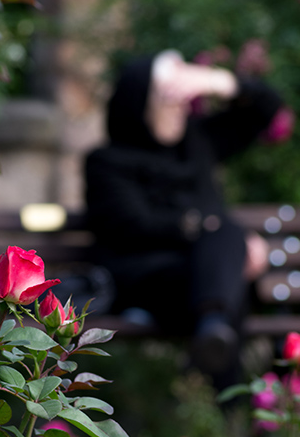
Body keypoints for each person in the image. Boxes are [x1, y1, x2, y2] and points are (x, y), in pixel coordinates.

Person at [84, 50, 283, 385]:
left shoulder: (198, 142)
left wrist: (217, 81)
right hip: (149, 281)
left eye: (183, 99)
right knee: (228, 240)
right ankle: (227, 407)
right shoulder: (108, 161)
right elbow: (134, 226)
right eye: (168, 99)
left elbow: (267, 109)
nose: (179, 107)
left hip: (205, 281)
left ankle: (212, 331)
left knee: (226, 250)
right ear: (140, 104)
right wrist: (209, 232)